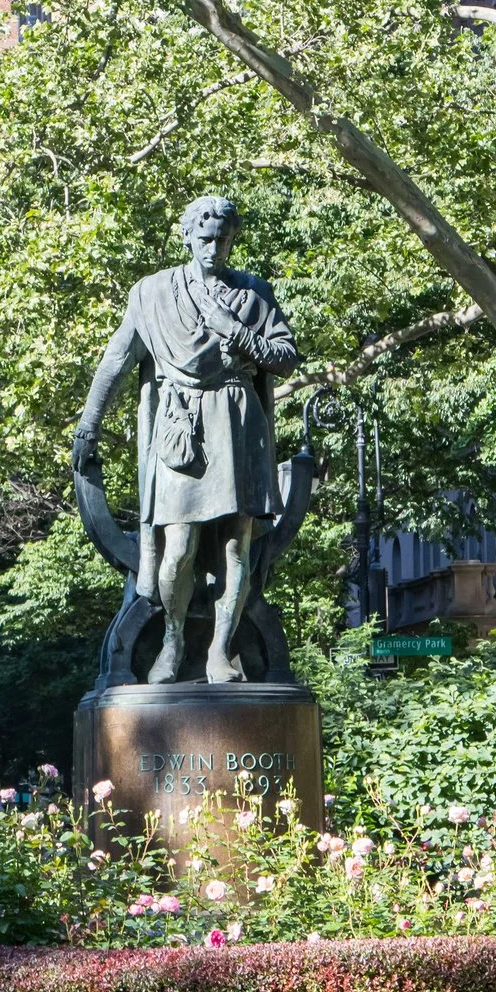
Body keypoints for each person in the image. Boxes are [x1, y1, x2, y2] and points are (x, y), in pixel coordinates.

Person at [73, 195, 300, 684]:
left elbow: (285, 356)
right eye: (204, 238)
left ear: (232, 239)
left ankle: (221, 651)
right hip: (182, 431)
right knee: (178, 546)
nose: (214, 247)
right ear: (186, 237)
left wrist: (236, 332)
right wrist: (90, 421)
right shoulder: (152, 294)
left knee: (236, 548)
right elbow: (117, 359)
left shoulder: (254, 294)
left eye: (223, 238)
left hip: (238, 426)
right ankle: (172, 643)